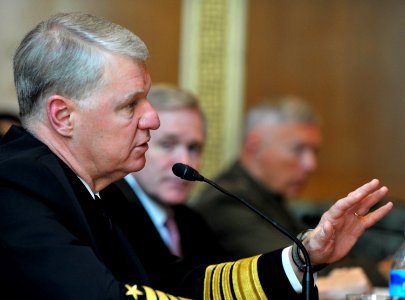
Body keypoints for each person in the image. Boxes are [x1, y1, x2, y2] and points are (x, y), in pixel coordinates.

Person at [0, 12, 393, 300]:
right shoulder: (13, 187)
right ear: (63, 116)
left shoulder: (107, 189)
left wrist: (304, 256)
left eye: (147, 101)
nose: (151, 119)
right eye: (130, 105)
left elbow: (180, 282)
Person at [101, 83, 227, 265]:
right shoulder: (108, 212)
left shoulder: (193, 222)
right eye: (167, 145)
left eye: (194, 148)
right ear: (137, 144)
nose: (185, 161)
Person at [193, 96, 322, 257]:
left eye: (314, 152)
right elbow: (292, 265)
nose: (311, 164)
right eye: (298, 149)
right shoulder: (225, 202)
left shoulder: (270, 195)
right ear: (254, 147)